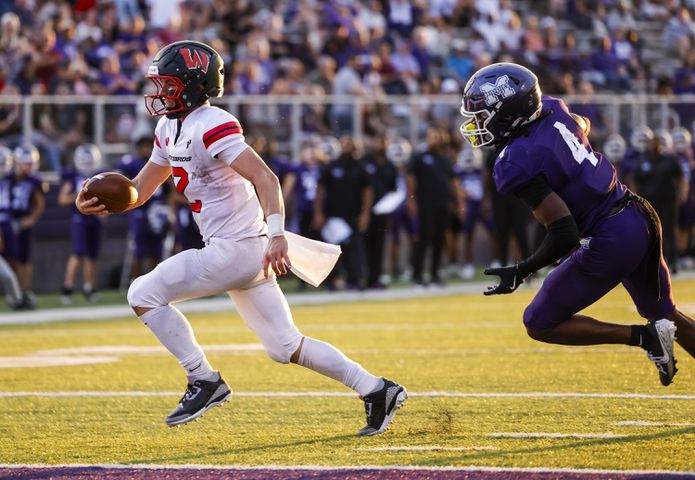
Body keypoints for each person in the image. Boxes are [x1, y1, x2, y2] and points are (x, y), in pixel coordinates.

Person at [75, 41, 406, 435]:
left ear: (194, 85)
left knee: (142, 294)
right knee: (285, 346)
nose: (160, 93)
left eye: (168, 85)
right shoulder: (168, 128)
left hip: (239, 248)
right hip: (240, 252)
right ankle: (376, 389)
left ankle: (203, 379)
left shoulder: (211, 123)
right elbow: (138, 191)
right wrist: (97, 201)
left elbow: (265, 177)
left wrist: (279, 233)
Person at [460, 62, 695, 387]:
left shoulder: (515, 162)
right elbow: (579, 123)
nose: (475, 123)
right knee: (666, 313)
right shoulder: (553, 108)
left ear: (507, 114)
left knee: (538, 322)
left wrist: (521, 270)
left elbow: (564, 233)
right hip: (638, 215)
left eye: (482, 115)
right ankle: (654, 333)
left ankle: (645, 338)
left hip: (611, 237)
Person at [119, 136, 171, 281]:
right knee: (138, 251)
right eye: (144, 146)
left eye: (150, 146)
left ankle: (153, 282)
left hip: (157, 213)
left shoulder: (161, 164)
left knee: (156, 251)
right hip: (139, 213)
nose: (147, 149)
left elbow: (169, 189)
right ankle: (135, 281)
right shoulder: (133, 163)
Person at [58, 143, 104, 304]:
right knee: (78, 253)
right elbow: (62, 199)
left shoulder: (99, 176)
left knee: (92, 255)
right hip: (79, 218)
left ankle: (89, 288)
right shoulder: (73, 176)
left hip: (95, 218)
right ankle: (67, 287)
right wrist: (80, 195)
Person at [11, 145, 47, 308]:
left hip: (22, 222)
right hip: (7, 222)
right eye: (25, 163)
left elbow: (39, 204)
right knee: (11, 259)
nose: (28, 167)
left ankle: (24, 290)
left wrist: (30, 220)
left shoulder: (34, 181)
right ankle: (14, 292)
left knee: (24, 259)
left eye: (30, 163)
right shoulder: (8, 178)